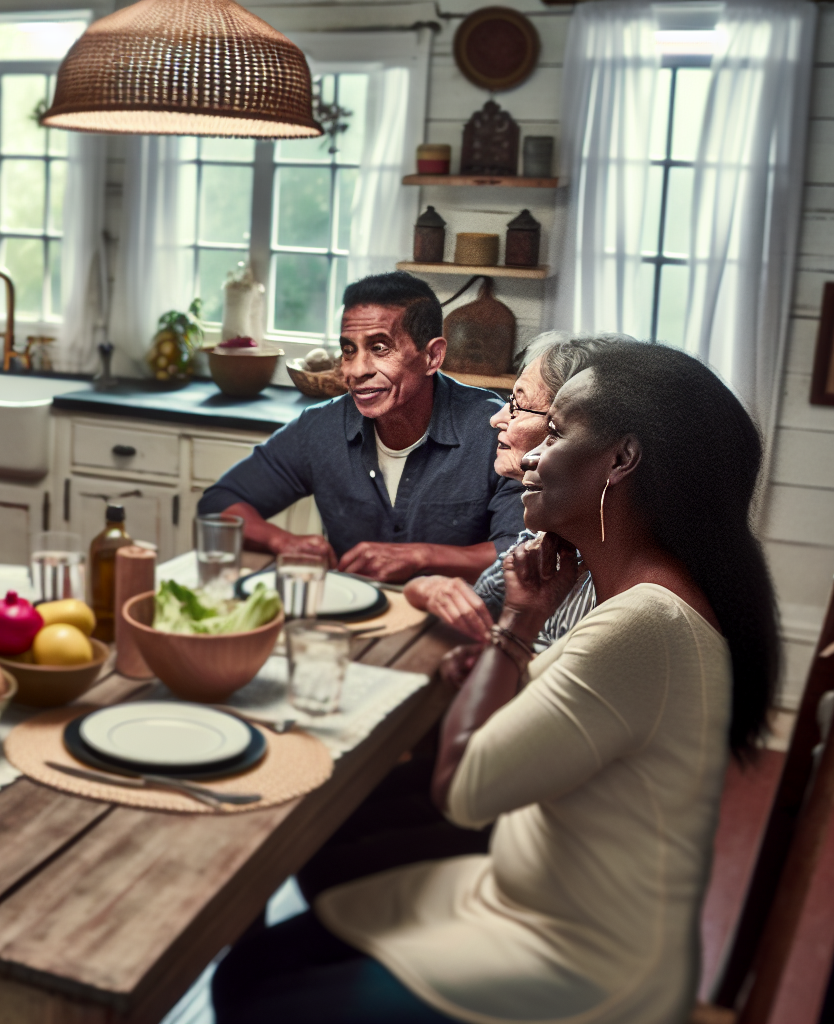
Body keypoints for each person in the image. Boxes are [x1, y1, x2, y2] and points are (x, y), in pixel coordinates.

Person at [213, 344, 779, 1023]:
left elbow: (464, 790)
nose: (532, 454)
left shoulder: (643, 625)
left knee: (257, 992)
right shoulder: (646, 600)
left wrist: (514, 624)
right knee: (260, 961)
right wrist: (506, 655)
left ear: (622, 461)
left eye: (560, 431)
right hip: (526, 895)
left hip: (579, 964)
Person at [198, 271, 523, 582]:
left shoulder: (496, 429)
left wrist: (421, 556)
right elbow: (219, 503)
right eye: (348, 350)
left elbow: (523, 551)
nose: (356, 370)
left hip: (456, 624)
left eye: (380, 348)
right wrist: (283, 542)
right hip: (348, 620)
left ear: (432, 356)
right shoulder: (321, 428)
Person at [402, 332, 633, 645]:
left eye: (519, 405)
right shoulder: (540, 542)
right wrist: (426, 588)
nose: (496, 419)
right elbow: (478, 609)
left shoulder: (624, 584)